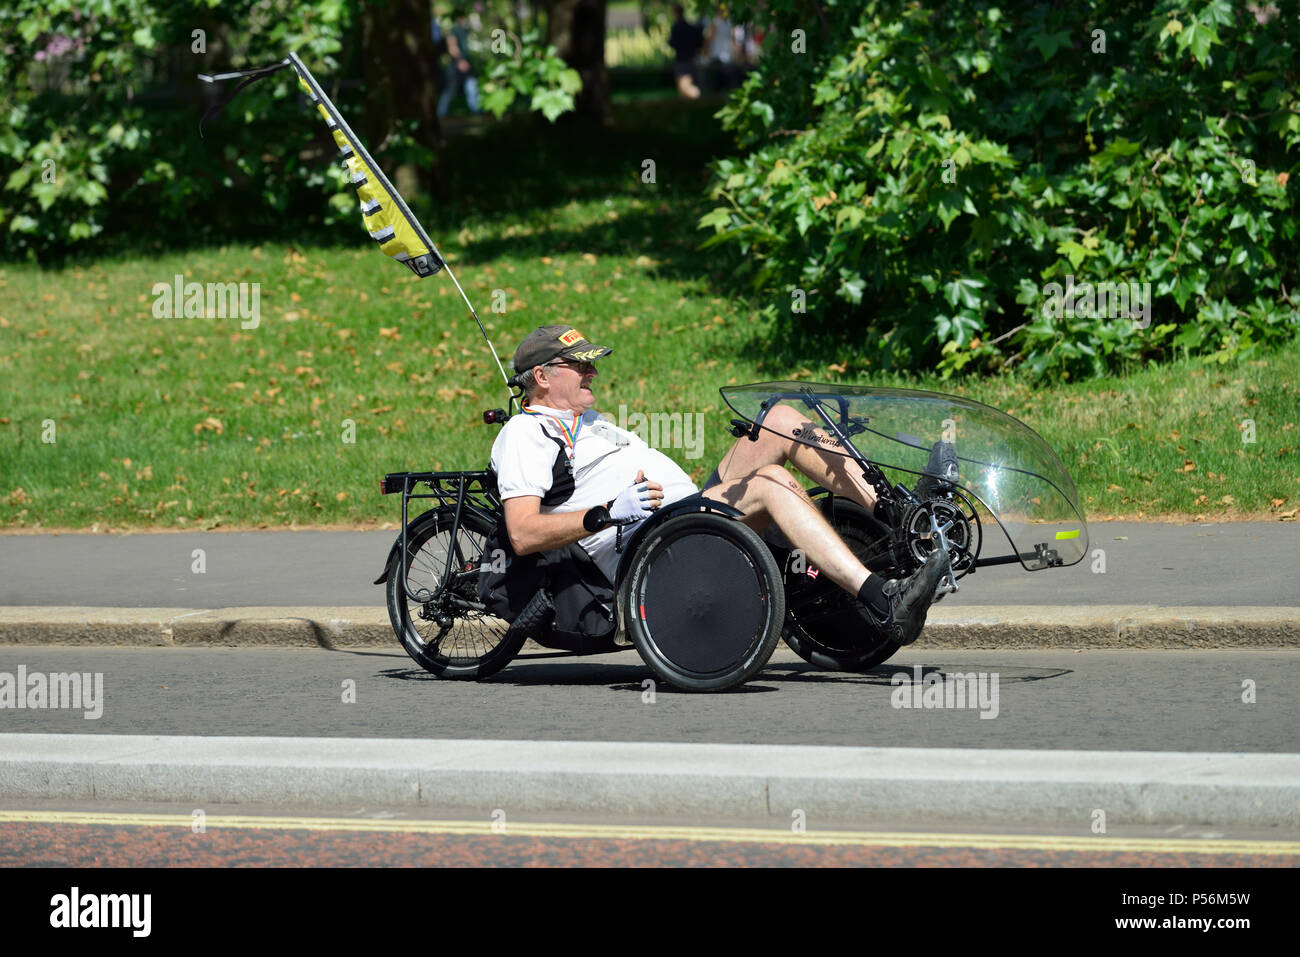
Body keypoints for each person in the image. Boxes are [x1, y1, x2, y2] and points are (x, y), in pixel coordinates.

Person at [490, 325, 952, 647]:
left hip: (684, 515)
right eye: (579, 365)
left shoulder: (590, 420)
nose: (592, 371)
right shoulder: (525, 434)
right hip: (651, 548)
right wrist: (608, 511)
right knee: (770, 482)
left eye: (591, 364)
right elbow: (523, 533)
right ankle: (884, 601)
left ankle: (906, 520)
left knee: (780, 421)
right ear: (543, 378)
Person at [437, 7, 479, 117]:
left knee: (471, 86)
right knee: (450, 89)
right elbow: (452, 47)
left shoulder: (466, 30)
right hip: (456, 65)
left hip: (466, 64)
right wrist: (460, 61)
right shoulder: (454, 30)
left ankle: (475, 110)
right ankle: (441, 112)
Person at [667, 4, 704, 100]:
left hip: (682, 61)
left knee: (684, 88)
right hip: (692, 59)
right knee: (684, 90)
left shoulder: (677, 28)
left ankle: (700, 97)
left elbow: (671, 43)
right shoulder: (691, 27)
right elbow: (700, 43)